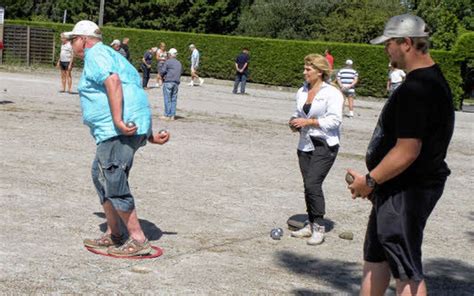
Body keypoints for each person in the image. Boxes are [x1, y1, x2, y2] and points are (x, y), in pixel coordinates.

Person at [347, 14, 455, 295]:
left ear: (406, 43)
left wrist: (369, 181)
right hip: (395, 187)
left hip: (407, 191)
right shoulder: (430, 81)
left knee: (405, 269)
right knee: (377, 256)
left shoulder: (417, 88)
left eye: (389, 44)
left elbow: (408, 150)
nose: (386, 50)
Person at [63, 20, 170, 257]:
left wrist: (119, 120)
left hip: (115, 130)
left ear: (84, 39)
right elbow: (135, 92)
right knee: (100, 175)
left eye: (73, 40)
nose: (71, 45)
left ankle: (138, 239)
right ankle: (115, 234)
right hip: (120, 128)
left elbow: (113, 82)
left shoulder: (96, 53)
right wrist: (148, 132)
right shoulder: (115, 55)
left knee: (112, 177)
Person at [288, 54, 343, 246]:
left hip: (325, 144)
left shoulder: (332, 93)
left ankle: (319, 227)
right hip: (305, 144)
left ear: (320, 72)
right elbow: (298, 114)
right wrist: (294, 123)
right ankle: (310, 224)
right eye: (304, 68)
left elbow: (335, 121)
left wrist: (309, 122)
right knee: (307, 185)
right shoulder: (301, 91)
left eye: (308, 69)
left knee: (313, 183)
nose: (304, 72)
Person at [159, 48, 182, 121]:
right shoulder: (179, 63)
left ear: (170, 54)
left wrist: (161, 77)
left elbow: (162, 71)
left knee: (167, 99)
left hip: (168, 81)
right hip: (176, 82)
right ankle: (172, 115)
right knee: (174, 99)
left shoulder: (168, 62)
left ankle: (167, 115)